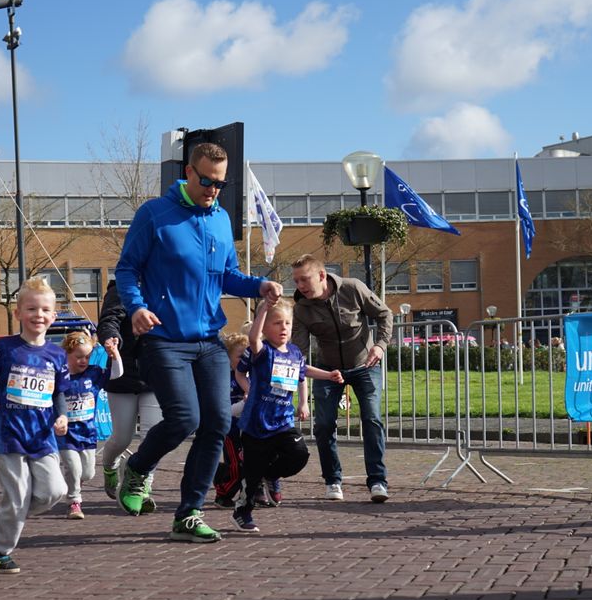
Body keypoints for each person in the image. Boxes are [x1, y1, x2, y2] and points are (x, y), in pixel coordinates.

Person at [114, 142, 281, 542]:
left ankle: (188, 513)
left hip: (208, 339)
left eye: (220, 183)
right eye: (205, 180)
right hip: (164, 340)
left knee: (218, 423)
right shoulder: (155, 214)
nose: (212, 189)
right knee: (185, 417)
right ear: (188, 172)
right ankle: (137, 468)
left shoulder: (222, 219)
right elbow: (126, 269)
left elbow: (228, 275)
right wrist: (136, 307)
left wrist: (259, 284)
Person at [0, 277, 70, 574]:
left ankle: (10, 517)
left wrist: (62, 415)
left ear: (53, 316)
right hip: (10, 434)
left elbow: (58, 393)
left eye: (44, 310)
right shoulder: (4, 349)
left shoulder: (57, 354)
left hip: (42, 436)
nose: (38, 315)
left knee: (55, 491)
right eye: (31, 309)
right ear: (18, 313)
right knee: (17, 495)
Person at [232, 299, 343, 532]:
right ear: (264, 327)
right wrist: (262, 308)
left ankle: (269, 475)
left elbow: (304, 372)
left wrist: (329, 375)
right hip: (256, 423)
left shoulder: (294, 352)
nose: (284, 328)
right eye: (277, 323)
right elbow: (251, 343)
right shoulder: (261, 352)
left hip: (283, 422)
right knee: (251, 477)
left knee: (299, 454)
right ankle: (244, 511)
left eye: (288, 323)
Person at [291, 254, 393, 502]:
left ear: (322, 275)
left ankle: (378, 481)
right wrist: (295, 386)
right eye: (296, 281)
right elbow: (299, 355)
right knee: (324, 425)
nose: (300, 286)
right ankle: (333, 481)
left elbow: (384, 314)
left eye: (304, 279)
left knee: (372, 419)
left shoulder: (353, 288)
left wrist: (379, 346)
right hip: (328, 370)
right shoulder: (302, 309)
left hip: (364, 365)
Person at [96, 279, 161, 509]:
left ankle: (142, 488)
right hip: (124, 373)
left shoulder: (167, 284)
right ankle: (110, 465)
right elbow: (108, 321)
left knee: (152, 436)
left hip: (156, 371)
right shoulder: (120, 288)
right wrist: (111, 339)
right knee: (122, 438)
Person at [59, 331, 119, 520]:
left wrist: (114, 354)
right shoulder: (59, 375)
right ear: (67, 354)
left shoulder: (93, 373)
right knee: (74, 468)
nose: (84, 361)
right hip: (66, 434)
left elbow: (117, 374)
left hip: (88, 433)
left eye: (87, 356)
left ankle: (73, 481)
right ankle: (74, 502)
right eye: (78, 357)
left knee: (88, 473)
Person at [213, 332, 249, 509]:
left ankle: (250, 493)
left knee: (247, 463)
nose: (244, 361)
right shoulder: (224, 379)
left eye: (246, 356)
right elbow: (225, 410)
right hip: (230, 430)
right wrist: (244, 403)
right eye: (240, 356)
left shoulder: (250, 377)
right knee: (236, 465)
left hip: (247, 430)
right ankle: (223, 493)